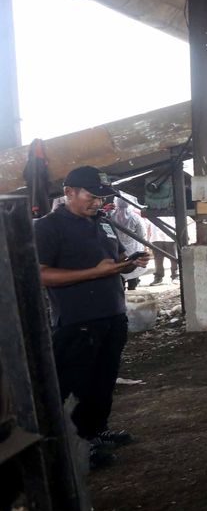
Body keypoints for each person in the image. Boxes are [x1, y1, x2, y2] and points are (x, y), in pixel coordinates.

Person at [35, 166, 148, 469]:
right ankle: (77, 447)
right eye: (91, 196)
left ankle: (97, 431)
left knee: (103, 380)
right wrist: (96, 272)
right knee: (76, 387)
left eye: (101, 197)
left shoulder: (103, 224)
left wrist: (128, 264)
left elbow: (113, 262)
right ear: (68, 192)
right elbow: (42, 274)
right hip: (77, 322)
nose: (97, 202)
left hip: (112, 317)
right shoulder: (48, 227)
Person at [143, 209, 178, 284]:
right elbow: (148, 225)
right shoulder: (152, 209)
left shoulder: (170, 209)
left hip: (169, 237)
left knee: (173, 258)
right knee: (158, 259)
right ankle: (158, 277)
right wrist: (148, 239)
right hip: (156, 237)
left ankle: (175, 275)